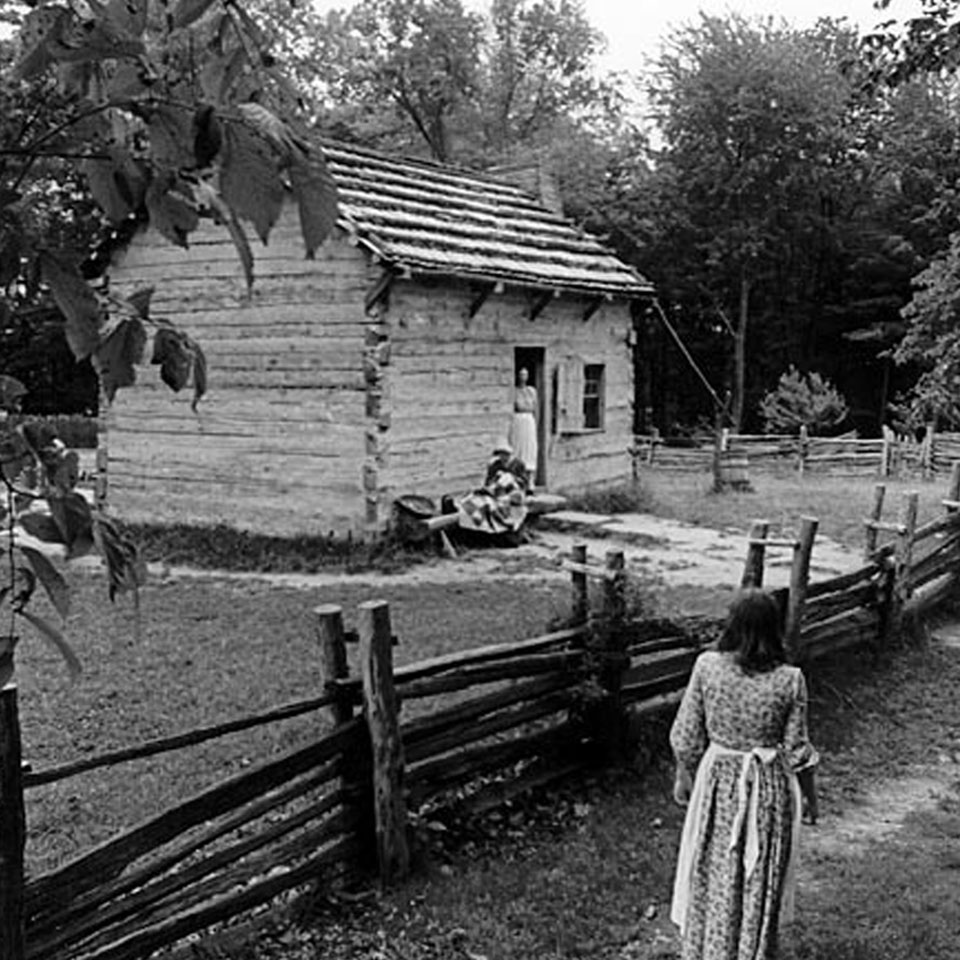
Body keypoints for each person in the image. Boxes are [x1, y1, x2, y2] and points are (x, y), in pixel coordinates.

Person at [669, 588, 819, 960]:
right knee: (756, 872)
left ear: (732, 625)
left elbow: (687, 736)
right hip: (766, 789)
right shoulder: (790, 679)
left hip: (717, 783)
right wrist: (810, 796)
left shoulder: (708, 666)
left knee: (715, 865)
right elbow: (798, 749)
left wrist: (683, 776)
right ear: (774, 629)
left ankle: (709, 949)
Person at [508, 368, 538, 485]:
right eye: (521, 374)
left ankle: (530, 482)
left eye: (525, 374)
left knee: (530, 449)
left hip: (529, 420)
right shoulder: (514, 391)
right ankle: (518, 480)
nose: (523, 377)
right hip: (518, 420)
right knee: (518, 449)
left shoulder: (532, 391)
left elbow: (536, 408)